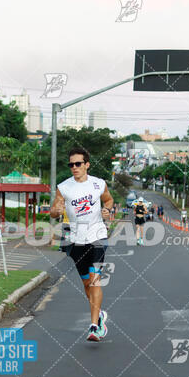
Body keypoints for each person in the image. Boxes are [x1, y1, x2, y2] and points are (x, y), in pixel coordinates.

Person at [50, 146, 114, 342]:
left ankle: (94, 327)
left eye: (78, 164)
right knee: (86, 283)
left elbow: (109, 199)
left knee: (95, 279)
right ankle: (100, 314)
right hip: (76, 240)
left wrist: (107, 210)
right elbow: (53, 211)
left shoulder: (98, 184)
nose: (74, 167)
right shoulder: (64, 187)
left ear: (87, 164)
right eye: (71, 164)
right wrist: (57, 209)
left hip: (97, 237)